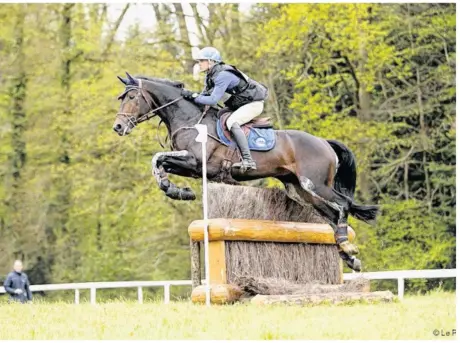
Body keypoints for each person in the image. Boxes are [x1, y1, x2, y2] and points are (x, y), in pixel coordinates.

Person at [181, 47, 269, 172]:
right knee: (219, 115)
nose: (199, 63)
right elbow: (204, 95)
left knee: (231, 122)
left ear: (211, 61)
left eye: (202, 60)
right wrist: (190, 96)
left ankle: (248, 160)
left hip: (254, 104)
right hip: (242, 104)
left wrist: (194, 96)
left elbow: (212, 100)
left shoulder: (223, 75)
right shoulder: (210, 75)